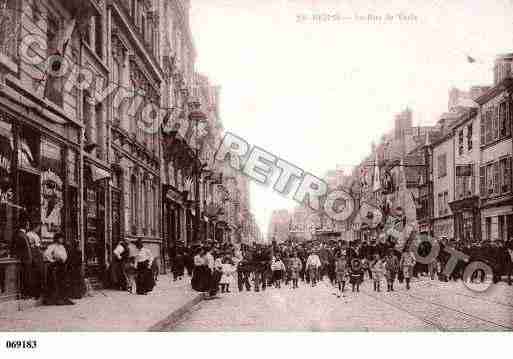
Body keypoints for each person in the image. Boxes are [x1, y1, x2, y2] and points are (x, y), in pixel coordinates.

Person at [42, 233, 73, 305]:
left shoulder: (62, 247)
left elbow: (65, 256)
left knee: (64, 282)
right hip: (56, 266)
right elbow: (46, 254)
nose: (62, 240)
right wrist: (52, 260)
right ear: (57, 239)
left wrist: (63, 260)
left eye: (62, 238)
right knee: (56, 282)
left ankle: (64, 298)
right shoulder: (52, 246)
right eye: (60, 238)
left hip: (63, 266)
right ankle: (57, 299)